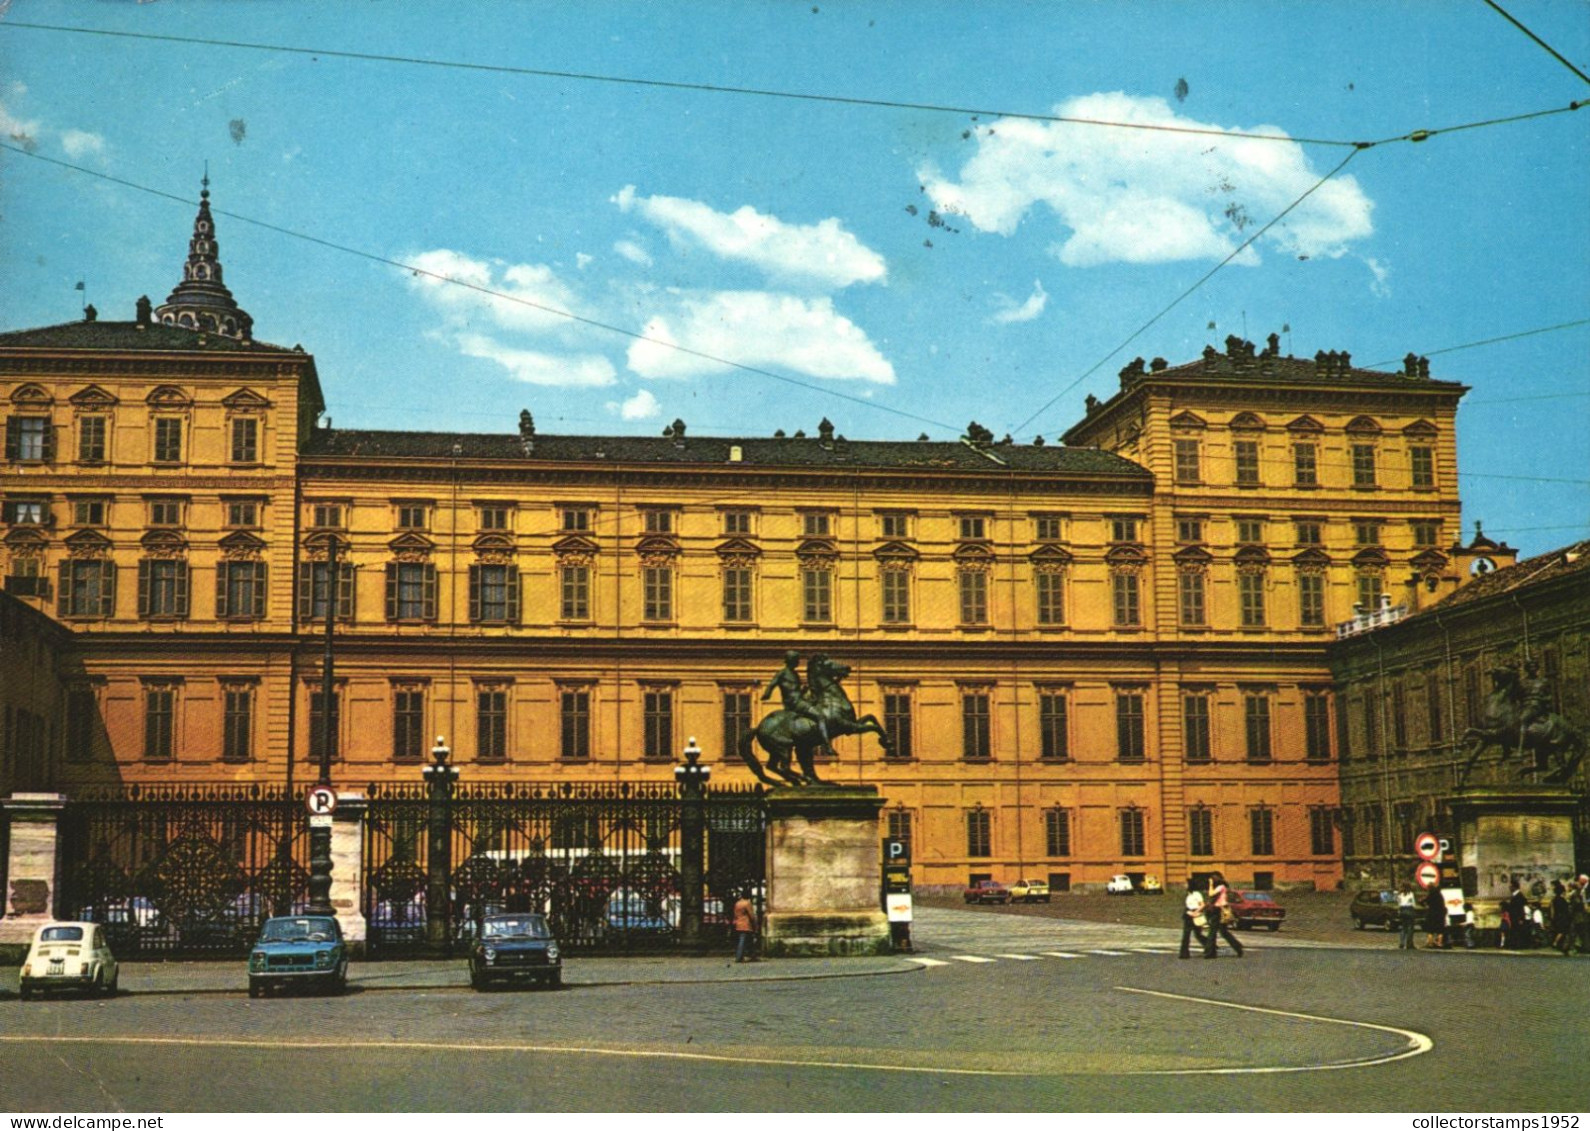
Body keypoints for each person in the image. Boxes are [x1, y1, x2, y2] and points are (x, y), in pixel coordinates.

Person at [762, 650, 830, 748]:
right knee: (820, 716)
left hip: (798, 700)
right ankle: (826, 744)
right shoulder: (782, 673)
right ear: (791, 660)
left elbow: (794, 691)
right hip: (795, 703)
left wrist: (803, 690)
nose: (798, 662)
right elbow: (772, 684)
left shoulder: (794, 674)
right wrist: (767, 694)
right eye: (796, 660)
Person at [1203, 873, 1244, 959]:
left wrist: (1210, 884)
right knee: (1223, 932)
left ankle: (1210, 952)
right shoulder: (1220, 887)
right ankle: (1238, 947)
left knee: (1213, 932)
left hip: (1219, 910)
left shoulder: (1221, 887)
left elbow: (1211, 894)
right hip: (1218, 910)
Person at [1179, 883, 1208, 959]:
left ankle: (1210, 946)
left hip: (1196, 914)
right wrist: (1188, 912)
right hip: (1188, 914)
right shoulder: (1188, 895)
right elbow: (1188, 906)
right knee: (1186, 934)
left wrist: (1196, 912)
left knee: (1198, 934)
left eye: (1186, 884)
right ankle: (1184, 953)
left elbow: (1202, 904)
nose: (1184, 885)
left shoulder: (1197, 894)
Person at [732, 891, 759, 963]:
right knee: (743, 941)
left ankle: (753, 955)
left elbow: (735, 914)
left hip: (738, 923)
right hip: (746, 924)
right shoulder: (747, 903)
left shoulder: (737, 903)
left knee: (749, 940)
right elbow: (751, 915)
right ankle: (739, 957)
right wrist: (755, 923)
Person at [1549, 881, 1573, 956]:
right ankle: (1556, 942)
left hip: (1556, 917)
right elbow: (1566, 909)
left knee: (1559, 930)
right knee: (1563, 931)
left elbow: (1553, 910)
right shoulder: (1562, 900)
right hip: (1563, 917)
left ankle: (1559, 945)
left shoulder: (1554, 899)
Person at [1506, 881, 1530, 950]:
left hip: (1517, 918)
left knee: (1517, 931)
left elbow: (1521, 908)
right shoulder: (1515, 895)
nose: (1509, 888)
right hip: (1514, 917)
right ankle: (1515, 945)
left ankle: (1517, 945)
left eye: (1510, 886)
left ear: (1514, 887)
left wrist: (1521, 918)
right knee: (1515, 931)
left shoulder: (1519, 896)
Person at [1424, 884, 1449, 949]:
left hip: (1431, 914)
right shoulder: (1440, 895)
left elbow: (1423, 901)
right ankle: (1439, 943)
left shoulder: (1430, 895)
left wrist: (1425, 906)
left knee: (1430, 930)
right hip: (1440, 914)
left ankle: (1430, 943)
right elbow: (1443, 905)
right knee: (1440, 930)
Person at [1396, 884, 1419, 950]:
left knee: (1403, 927)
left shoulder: (1400, 895)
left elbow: (1399, 904)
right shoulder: (1411, 894)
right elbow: (1413, 904)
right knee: (1410, 927)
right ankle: (1409, 943)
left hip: (1402, 910)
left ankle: (1401, 943)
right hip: (1409, 909)